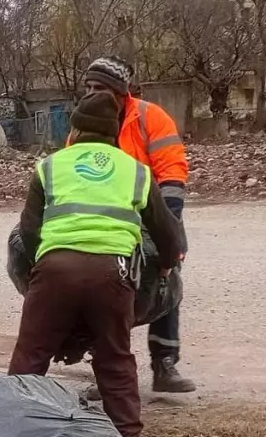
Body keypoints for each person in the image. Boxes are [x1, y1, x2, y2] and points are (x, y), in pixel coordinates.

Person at [8, 92, 184, 437]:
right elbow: (169, 234)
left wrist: (37, 277)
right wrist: (165, 265)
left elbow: (27, 232)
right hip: (113, 275)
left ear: (74, 129)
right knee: (115, 359)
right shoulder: (137, 172)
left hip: (55, 271)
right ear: (116, 132)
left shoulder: (50, 166)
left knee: (30, 358)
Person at [82, 56, 195, 393]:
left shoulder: (150, 118)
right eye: (87, 87)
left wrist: (168, 230)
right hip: (106, 218)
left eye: (99, 87)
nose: (91, 94)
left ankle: (164, 363)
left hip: (151, 212)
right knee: (105, 290)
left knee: (165, 280)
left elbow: (172, 173)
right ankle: (107, 366)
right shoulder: (84, 124)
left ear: (120, 92)